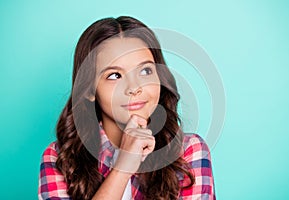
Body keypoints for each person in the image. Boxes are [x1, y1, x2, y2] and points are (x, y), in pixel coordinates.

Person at [38, 16, 216, 200]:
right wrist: (122, 168)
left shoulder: (188, 152)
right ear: (90, 89)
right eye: (114, 75)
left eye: (145, 71)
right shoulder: (59, 158)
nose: (133, 87)